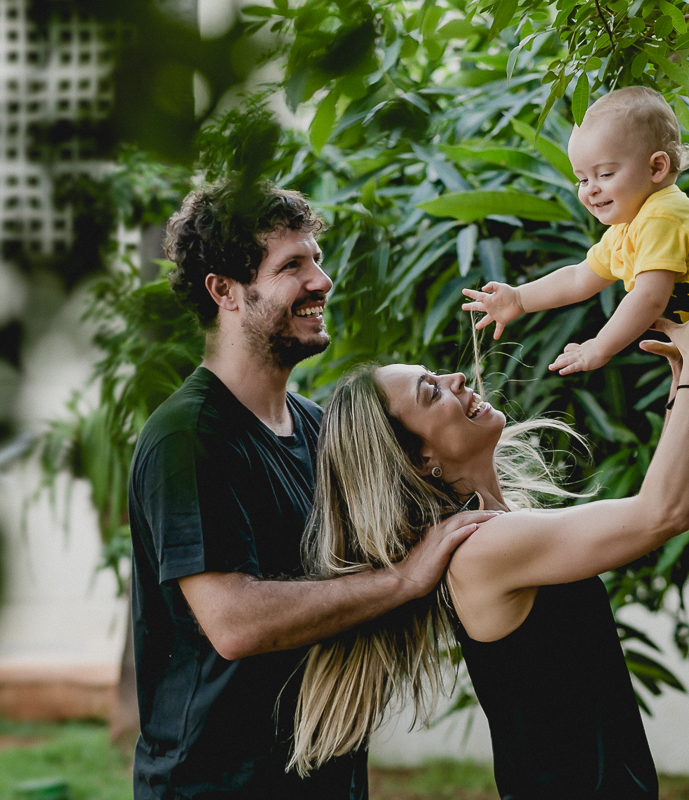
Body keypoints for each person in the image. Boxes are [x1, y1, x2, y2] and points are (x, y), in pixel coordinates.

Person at [289, 253, 689, 798]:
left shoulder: (496, 530)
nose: (456, 378)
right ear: (420, 459)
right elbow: (662, 514)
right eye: (432, 392)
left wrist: (686, 371)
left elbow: (658, 505)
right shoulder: (483, 550)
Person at [126, 181, 493, 799]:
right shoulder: (189, 438)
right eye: (291, 265)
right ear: (224, 291)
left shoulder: (319, 428)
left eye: (316, 259)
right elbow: (234, 622)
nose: (321, 281)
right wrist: (402, 579)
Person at [460, 86, 689, 590]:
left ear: (656, 168)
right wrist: (519, 298)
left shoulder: (662, 216)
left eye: (605, 174)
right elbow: (579, 277)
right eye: (582, 178)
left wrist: (599, 347)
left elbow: (649, 298)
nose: (590, 190)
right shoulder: (627, 231)